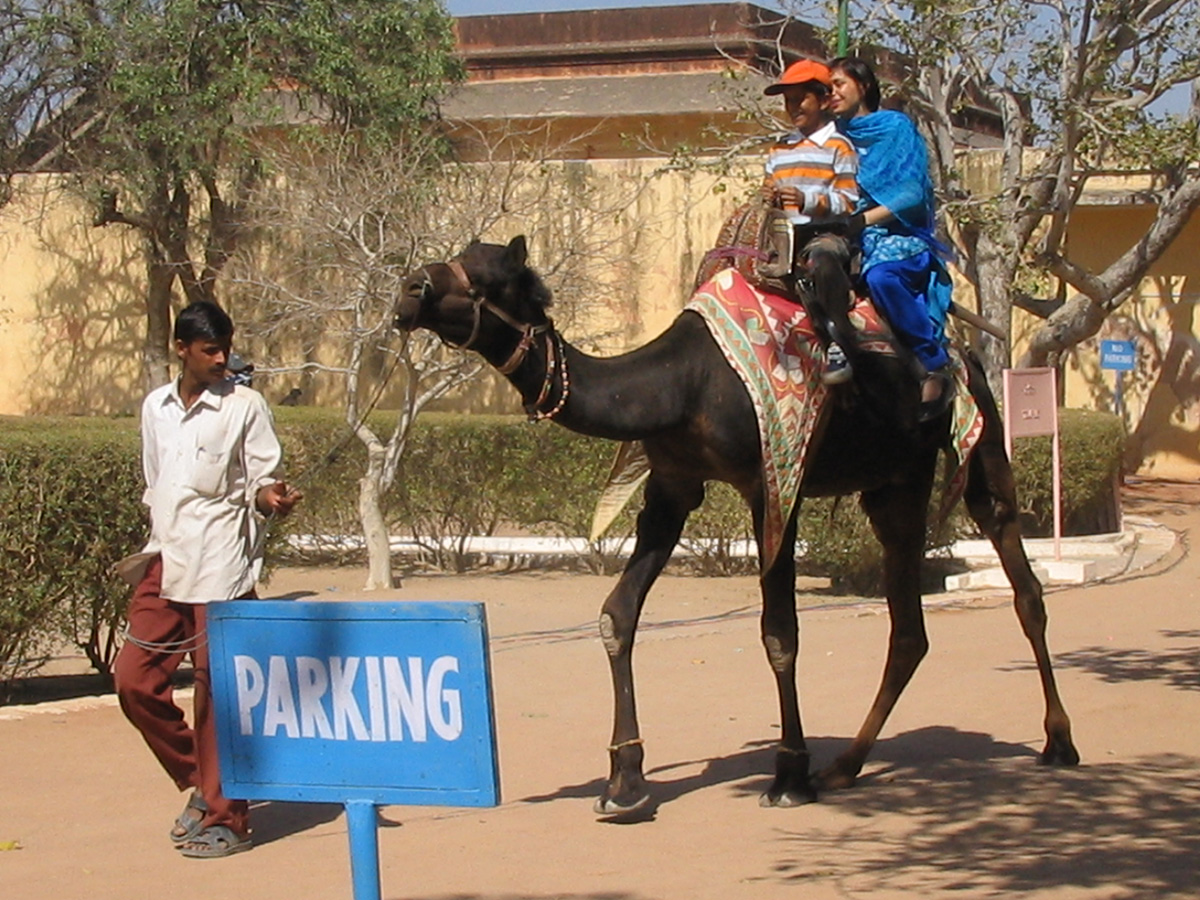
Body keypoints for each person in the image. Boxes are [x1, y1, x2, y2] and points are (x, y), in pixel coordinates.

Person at [113, 300, 301, 859]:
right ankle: (202, 778)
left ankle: (229, 819)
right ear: (182, 350)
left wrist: (272, 498)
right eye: (209, 350)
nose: (222, 358)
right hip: (167, 560)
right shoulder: (156, 408)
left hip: (222, 564)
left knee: (219, 695)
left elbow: (262, 478)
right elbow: (157, 481)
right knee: (134, 680)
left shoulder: (246, 406)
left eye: (225, 347)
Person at [827, 55, 955, 421]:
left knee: (881, 277)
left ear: (863, 86)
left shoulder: (895, 128)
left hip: (895, 236)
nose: (831, 93)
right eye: (827, 88)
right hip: (842, 236)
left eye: (839, 84)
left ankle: (932, 364)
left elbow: (911, 193)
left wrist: (860, 221)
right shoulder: (831, 136)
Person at [760, 57, 861, 385]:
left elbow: (847, 201)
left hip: (825, 234)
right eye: (788, 101)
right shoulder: (779, 149)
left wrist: (808, 201)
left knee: (822, 261)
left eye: (801, 98)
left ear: (822, 99)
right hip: (784, 237)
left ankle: (837, 340)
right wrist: (769, 197)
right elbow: (768, 195)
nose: (793, 107)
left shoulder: (839, 147)